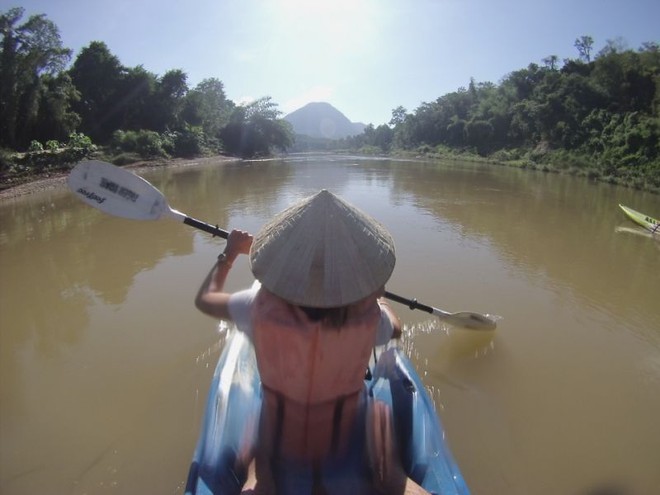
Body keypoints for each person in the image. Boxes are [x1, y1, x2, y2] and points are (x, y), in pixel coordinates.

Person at [195, 190, 430, 495]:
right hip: (342, 428)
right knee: (380, 417)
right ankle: (394, 478)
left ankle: (260, 478)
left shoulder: (255, 307)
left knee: (259, 424)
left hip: (281, 429)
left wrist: (229, 255)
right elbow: (396, 330)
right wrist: (378, 298)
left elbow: (205, 300)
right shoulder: (370, 317)